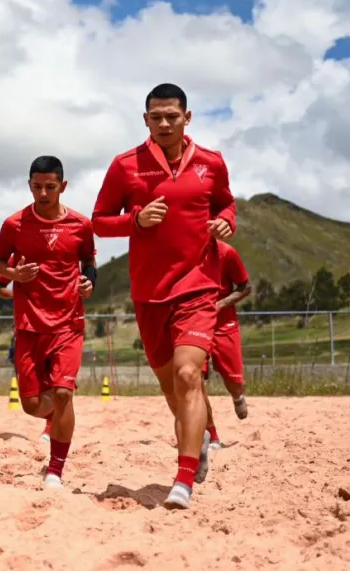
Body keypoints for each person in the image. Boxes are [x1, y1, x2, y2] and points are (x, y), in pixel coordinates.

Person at [92, 83, 236, 509]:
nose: (165, 123)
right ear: (146, 120)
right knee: (172, 387)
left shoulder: (211, 163)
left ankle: (183, 479)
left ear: (186, 118)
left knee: (189, 375)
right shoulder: (125, 166)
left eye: (172, 116)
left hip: (197, 284)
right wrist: (136, 220)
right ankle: (203, 438)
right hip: (149, 292)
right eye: (156, 117)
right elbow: (99, 221)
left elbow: (226, 206)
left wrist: (226, 222)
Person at [0, 155, 96, 489]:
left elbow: (89, 262)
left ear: (63, 186)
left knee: (63, 393)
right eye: (37, 186)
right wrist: (13, 273)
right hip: (29, 324)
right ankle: (49, 417)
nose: (44, 193)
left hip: (68, 322)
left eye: (50, 187)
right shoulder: (15, 224)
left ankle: (56, 469)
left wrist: (89, 281)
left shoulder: (80, 224)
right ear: (29, 185)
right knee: (33, 405)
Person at [203, 240, 252, 449]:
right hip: (196, 321)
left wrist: (220, 304)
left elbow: (245, 287)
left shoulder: (227, 252)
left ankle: (237, 395)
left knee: (233, 378)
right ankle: (211, 434)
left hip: (224, 321)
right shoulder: (183, 251)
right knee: (194, 380)